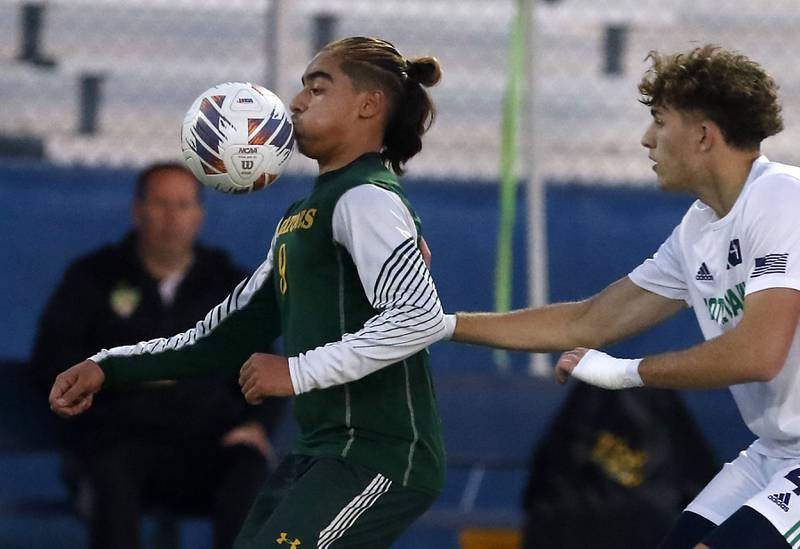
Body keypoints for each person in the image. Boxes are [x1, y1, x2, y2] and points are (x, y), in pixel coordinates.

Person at [47, 36, 448, 549]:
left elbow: (418, 318)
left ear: (369, 106)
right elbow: (217, 339)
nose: (297, 102)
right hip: (324, 452)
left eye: (318, 89)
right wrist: (110, 366)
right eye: (301, 87)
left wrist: (295, 371)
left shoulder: (367, 198)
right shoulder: (301, 219)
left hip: (383, 455)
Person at [446, 45, 800, 549]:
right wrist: (443, 324)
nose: (646, 139)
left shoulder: (782, 199)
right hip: (776, 451)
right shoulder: (697, 230)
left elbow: (758, 354)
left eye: (659, 120)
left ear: (703, 135)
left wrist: (625, 372)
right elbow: (587, 321)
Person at [31, 162, 284, 549]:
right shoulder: (92, 278)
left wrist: (255, 426)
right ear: (137, 211)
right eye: (160, 203)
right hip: (119, 443)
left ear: (199, 215)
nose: (171, 217)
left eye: (183, 205)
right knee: (110, 469)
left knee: (248, 467)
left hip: (208, 445)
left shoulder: (230, 284)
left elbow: (265, 365)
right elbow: (55, 360)